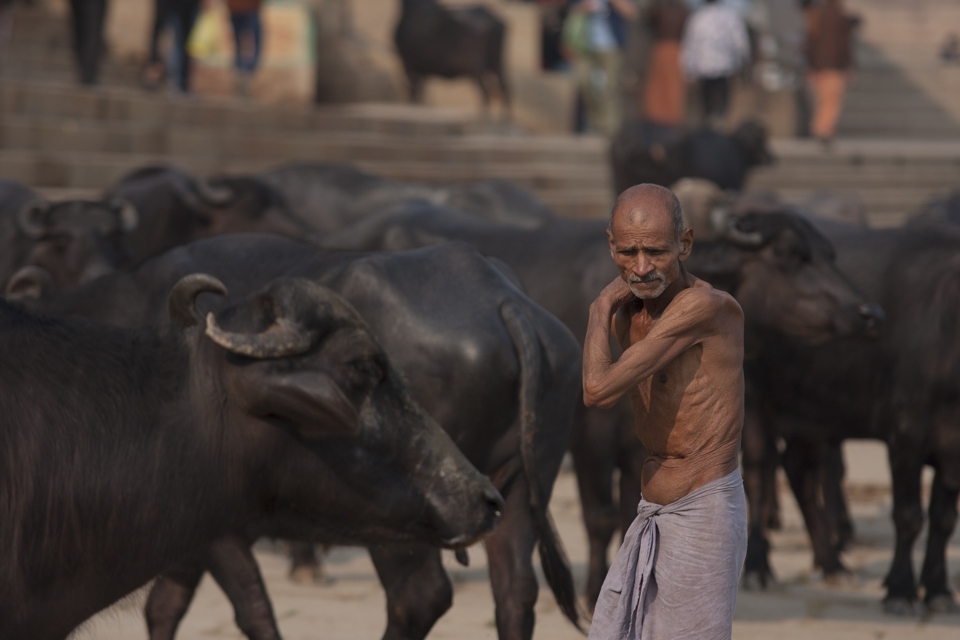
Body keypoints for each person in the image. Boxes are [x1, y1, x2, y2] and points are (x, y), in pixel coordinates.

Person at [582, 183, 747, 639]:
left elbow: (597, 390)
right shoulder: (627, 314)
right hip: (651, 510)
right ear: (610, 246)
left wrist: (597, 308)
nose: (640, 267)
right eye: (628, 252)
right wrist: (609, 310)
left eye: (655, 251)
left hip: (703, 514)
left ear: (685, 244)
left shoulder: (706, 308)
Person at [565, 0, 637, 135]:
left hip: (611, 45)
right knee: (585, 83)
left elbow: (631, 12)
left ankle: (610, 127)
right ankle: (594, 123)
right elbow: (570, 8)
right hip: (585, 44)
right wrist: (584, 7)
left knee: (609, 86)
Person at [681, 0, 750, 127]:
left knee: (706, 104)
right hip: (724, 68)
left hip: (703, 68)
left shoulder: (698, 18)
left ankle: (708, 128)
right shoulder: (730, 17)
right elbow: (740, 43)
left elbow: (690, 46)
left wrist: (688, 70)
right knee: (722, 104)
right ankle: (719, 126)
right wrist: (743, 61)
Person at [805, 0, 859, 145]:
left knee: (823, 99)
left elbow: (811, 43)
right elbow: (845, 45)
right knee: (832, 100)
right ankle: (822, 129)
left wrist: (811, 66)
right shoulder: (840, 18)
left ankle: (823, 128)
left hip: (820, 66)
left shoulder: (817, 17)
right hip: (835, 66)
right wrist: (850, 65)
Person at [641, 0, 689, 127]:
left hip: (671, 49)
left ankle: (668, 119)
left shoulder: (662, 9)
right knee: (661, 86)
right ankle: (658, 118)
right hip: (666, 48)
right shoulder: (679, 10)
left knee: (671, 86)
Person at [227, 0, 265, 95]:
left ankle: (241, 70)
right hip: (246, 8)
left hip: (237, 7)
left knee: (240, 42)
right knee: (253, 42)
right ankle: (245, 70)